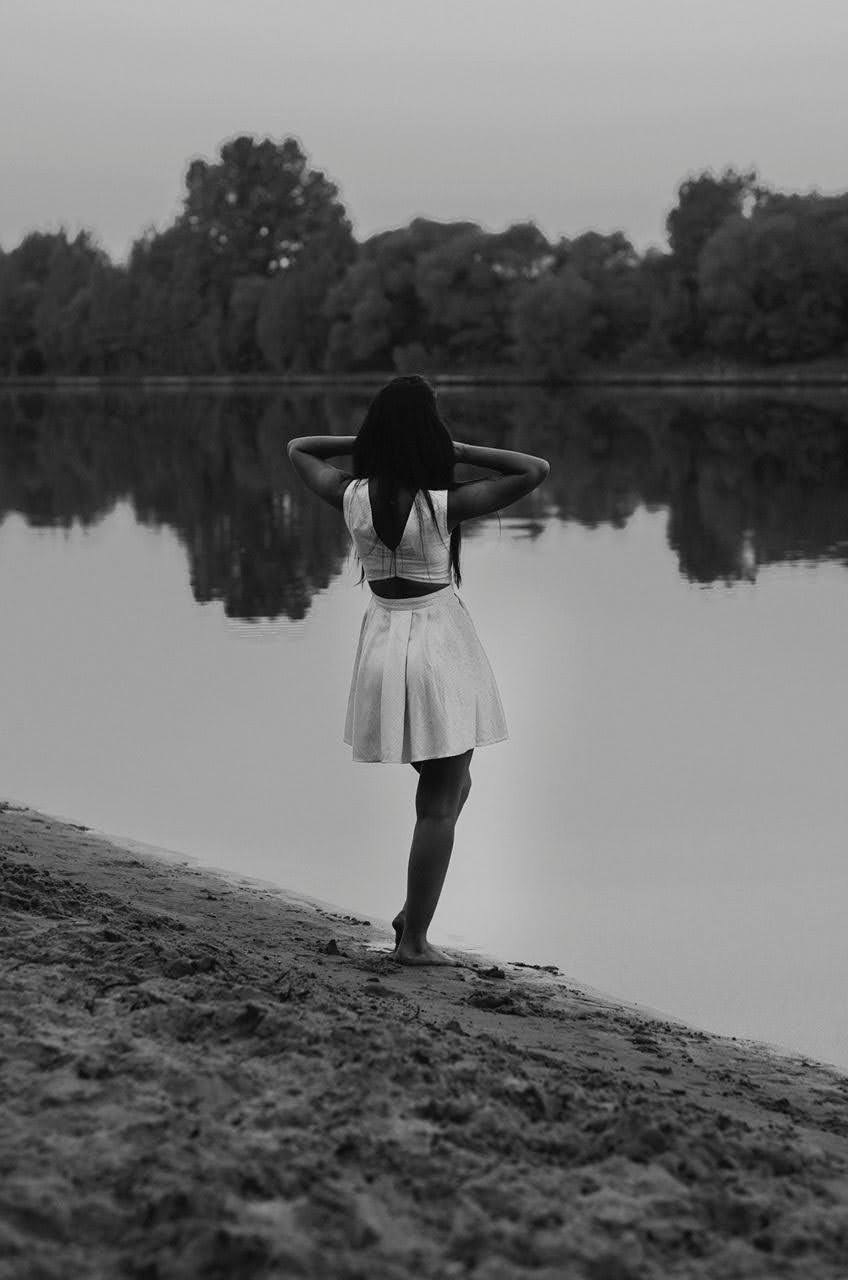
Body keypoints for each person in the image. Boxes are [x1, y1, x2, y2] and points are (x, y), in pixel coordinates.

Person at [287, 375, 550, 965]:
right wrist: (456, 453)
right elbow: (533, 470)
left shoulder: (353, 496)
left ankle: (414, 911)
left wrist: (375, 442)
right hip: (434, 645)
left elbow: (299, 448)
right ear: (428, 433)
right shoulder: (440, 505)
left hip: (383, 642)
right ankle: (414, 942)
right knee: (439, 801)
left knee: (453, 787)